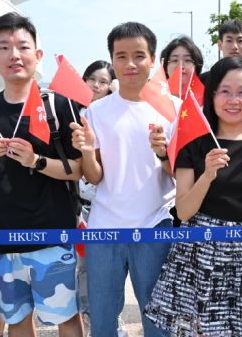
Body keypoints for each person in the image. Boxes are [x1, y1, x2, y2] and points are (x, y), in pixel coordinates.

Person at [143, 57, 242, 337]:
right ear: (212, 95)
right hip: (199, 254)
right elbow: (183, 212)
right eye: (225, 91)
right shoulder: (193, 141)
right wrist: (207, 175)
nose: (234, 100)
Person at [0, 15, 83, 337]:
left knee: (66, 317)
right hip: (3, 233)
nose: (14, 55)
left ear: (38, 54)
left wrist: (35, 161)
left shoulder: (58, 105)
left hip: (53, 231)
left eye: (22, 46)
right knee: (17, 320)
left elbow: (76, 170)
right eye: (4, 47)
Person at [73, 20, 174, 337]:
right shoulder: (96, 112)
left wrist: (164, 154)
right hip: (105, 230)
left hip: (155, 227)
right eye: (121, 56)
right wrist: (88, 151)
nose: (130, 64)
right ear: (112, 59)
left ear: (153, 59)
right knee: (102, 321)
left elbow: (180, 175)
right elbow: (94, 176)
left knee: (157, 322)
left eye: (139, 55)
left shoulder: (173, 110)